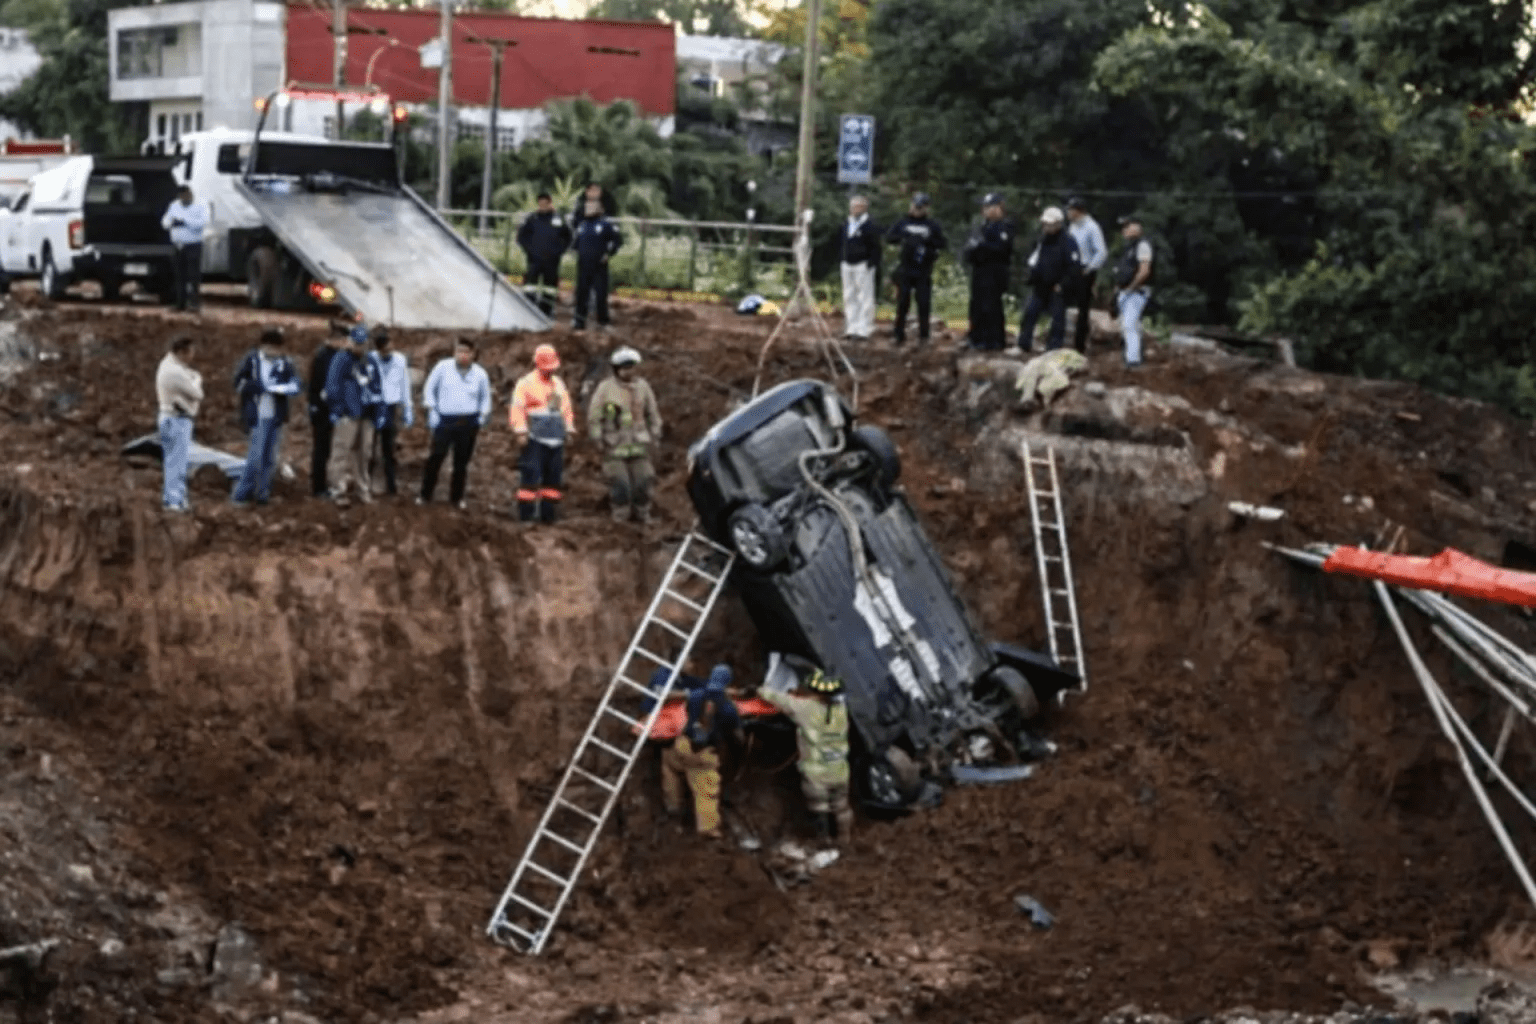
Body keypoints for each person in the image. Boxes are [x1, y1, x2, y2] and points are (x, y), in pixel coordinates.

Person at [759, 667, 852, 846]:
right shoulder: (841, 710)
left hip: (817, 774)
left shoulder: (806, 709)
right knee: (841, 807)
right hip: (840, 770)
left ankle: (823, 841)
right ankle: (843, 840)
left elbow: (780, 700)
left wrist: (759, 690)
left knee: (819, 808)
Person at [660, 665, 740, 839]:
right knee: (706, 791)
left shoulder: (696, 695)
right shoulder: (727, 708)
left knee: (670, 767)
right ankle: (708, 829)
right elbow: (733, 730)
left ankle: (673, 808)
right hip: (702, 754)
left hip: (682, 746)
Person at [588, 346, 662, 524]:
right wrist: (597, 438)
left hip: (639, 444)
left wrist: (655, 433)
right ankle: (620, 516)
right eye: (625, 368)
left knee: (644, 480)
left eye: (633, 367)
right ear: (616, 369)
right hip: (614, 445)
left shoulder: (643, 387)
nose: (630, 371)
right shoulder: (605, 388)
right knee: (621, 483)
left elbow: (653, 413)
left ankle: (643, 514)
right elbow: (594, 415)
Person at [230, 327, 302, 508]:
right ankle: (241, 494)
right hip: (257, 415)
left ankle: (263, 494)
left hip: (276, 416)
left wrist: (281, 388)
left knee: (270, 457)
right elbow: (238, 383)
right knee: (255, 457)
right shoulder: (252, 361)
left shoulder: (285, 363)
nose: (274, 353)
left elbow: (296, 384)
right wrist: (257, 387)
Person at [419, 337, 492, 509]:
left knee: (461, 463)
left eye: (466, 352)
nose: (462, 355)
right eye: (459, 351)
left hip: (468, 421)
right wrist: (432, 409)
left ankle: (457, 498)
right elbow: (429, 388)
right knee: (436, 457)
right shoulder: (443, 368)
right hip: (445, 420)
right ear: (454, 352)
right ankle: (425, 494)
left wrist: (483, 415)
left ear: (473, 354)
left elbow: (485, 398)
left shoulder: (480, 374)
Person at [508, 344, 575, 523]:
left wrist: (568, 428)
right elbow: (517, 408)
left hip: (555, 439)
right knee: (530, 476)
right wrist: (520, 431)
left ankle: (548, 515)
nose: (549, 371)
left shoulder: (558, 384)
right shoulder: (526, 384)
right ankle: (526, 516)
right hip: (534, 439)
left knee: (553, 479)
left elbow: (566, 408)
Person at [323, 325, 377, 507]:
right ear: (350, 342)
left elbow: (376, 383)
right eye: (357, 343)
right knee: (341, 451)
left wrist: (378, 408)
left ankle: (363, 489)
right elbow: (332, 385)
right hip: (348, 412)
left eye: (363, 344)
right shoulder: (341, 359)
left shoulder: (370, 360)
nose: (360, 347)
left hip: (367, 412)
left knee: (365, 453)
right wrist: (337, 409)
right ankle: (338, 489)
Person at [884, 192, 947, 346]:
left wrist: (928, 242)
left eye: (921, 207)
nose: (917, 210)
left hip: (924, 269)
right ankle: (899, 334)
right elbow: (889, 237)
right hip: (906, 268)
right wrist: (905, 238)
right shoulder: (903, 222)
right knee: (902, 303)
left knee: (924, 303)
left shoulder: (932, 225)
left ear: (926, 208)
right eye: (915, 206)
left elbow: (942, 243)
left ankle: (924, 336)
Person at [1018, 206, 1081, 352]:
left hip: (1057, 286)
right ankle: (1023, 343)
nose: (1046, 226)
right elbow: (1034, 259)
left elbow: (1073, 267)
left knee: (1058, 319)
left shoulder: (1068, 241)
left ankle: (1054, 348)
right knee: (1029, 313)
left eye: (1050, 223)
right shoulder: (1042, 239)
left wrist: (1063, 284)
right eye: (1045, 223)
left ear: (1059, 223)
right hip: (1040, 285)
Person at [155, 335, 203, 513]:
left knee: (173, 461)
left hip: (171, 417)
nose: (192, 356)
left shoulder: (169, 365)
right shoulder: (174, 371)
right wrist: (197, 379)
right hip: (177, 419)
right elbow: (197, 394)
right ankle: (174, 502)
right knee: (177, 462)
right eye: (190, 352)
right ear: (182, 352)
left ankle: (175, 499)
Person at [962, 193, 1014, 351]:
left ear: (999, 208)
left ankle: (995, 340)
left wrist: (982, 246)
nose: (984, 210)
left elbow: (1002, 250)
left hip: (995, 273)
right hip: (979, 272)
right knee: (976, 305)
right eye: (984, 207)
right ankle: (976, 337)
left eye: (989, 206)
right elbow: (970, 251)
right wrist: (973, 250)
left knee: (992, 306)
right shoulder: (981, 227)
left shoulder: (1005, 226)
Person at [371, 327, 413, 496]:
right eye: (385, 350)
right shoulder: (371, 359)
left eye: (390, 348)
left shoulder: (400, 360)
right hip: (374, 407)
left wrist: (407, 408)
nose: (388, 352)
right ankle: (367, 483)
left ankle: (391, 485)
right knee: (369, 446)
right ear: (378, 350)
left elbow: (404, 384)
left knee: (388, 448)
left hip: (390, 407)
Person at [571, 195, 622, 331]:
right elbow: (576, 243)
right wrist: (575, 251)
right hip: (583, 265)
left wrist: (608, 254)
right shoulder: (582, 225)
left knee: (600, 295)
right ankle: (579, 322)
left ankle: (603, 322)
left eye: (592, 206)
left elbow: (616, 241)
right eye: (587, 206)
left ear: (600, 209)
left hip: (599, 266)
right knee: (582, 293)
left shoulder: (606, 224)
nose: (588, 208)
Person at [307, 322, 346, 498]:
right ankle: (318, 487)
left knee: (330, 449)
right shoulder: (323, 357)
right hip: (322, 409)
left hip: (333, 408)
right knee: (321, 449)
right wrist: (315, 405)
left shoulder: (338, 356)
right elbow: (315, 384)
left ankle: (329, 484)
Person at [517, 192, 571, 316]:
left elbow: (568, 237)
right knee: (530, 285)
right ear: (538, 203)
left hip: (552, 260)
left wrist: (559, 251)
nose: (543, 205)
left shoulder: (559, 219)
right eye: (541, 203)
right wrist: (529, 250)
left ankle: (546, 311)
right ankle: (528, 308)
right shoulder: (531, 219)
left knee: (550, 288)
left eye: (545, 203)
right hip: (534, 259)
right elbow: (521, 237)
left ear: (550, 203)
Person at [1065, 197, 1107, 353]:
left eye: (1071, 210)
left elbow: (1101, 252)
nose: (1068, 213)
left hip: (1084, 269)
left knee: (1083, 308)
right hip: (1071, 268)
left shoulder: (1092, 227)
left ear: (1079, 211)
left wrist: (1089, 269)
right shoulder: (1072, 226)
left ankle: (1080, 344)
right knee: (1065, 303)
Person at [1114, 214, 1155, 368]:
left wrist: (1131, 287)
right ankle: (1131, 356)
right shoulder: (1129, 247)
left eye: (1127, 226)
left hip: (1136, 291)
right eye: (1123, 227)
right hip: (1125, 291)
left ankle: (1133, 361)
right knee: (1129, 326)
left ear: (1137, 226)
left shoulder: (1143, 245)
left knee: (1130, 325)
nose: (1124, 230)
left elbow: (1144, 271)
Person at [159, 186, 208, 313]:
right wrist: (171, 223)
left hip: (193, 244)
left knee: (193, 275)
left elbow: (203, 222)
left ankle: (194, 303)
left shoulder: (200, 205)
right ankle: (180, 303)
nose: (184, 198)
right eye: (181, 196)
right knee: (179, 275)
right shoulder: (174, 205)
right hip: (178, 245)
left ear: (190, 194)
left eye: (186, 195)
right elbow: (165, 222)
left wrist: (185, 221)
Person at [839, 195, 881, 340]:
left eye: (858, 206)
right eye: (852, 206)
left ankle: (865, 328)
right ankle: (851, 326)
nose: (854, 209)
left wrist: (872, 263)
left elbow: (875, 245)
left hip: (863, 263)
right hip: (847, 263)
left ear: (864, 208)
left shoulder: (870, 225)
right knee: (849, 295)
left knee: (864, 296)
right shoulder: (847, 223)